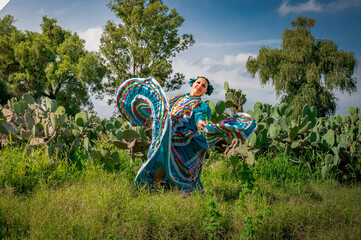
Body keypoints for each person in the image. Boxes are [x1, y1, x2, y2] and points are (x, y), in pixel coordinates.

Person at [116, 76, 256, 193]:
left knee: (174, 170)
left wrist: (200, 121)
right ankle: (155, 193)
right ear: (193, 83)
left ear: (206, 91)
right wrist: (151, 121)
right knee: (158, 163)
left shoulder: (201, 105)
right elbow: (165, 112)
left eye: (204, 85)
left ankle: (173, 195)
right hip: (166, 136)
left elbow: (199, 115)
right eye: (198, 82)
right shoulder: (177, 99)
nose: (199, 86)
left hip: (182, 141)